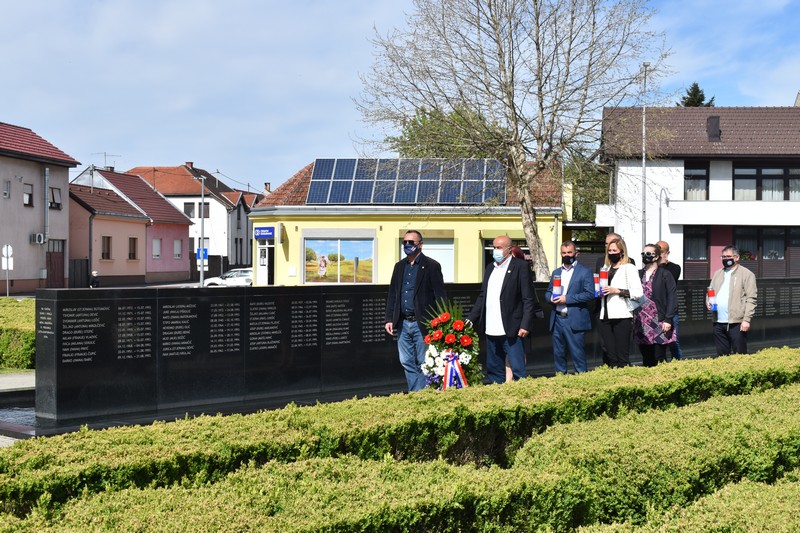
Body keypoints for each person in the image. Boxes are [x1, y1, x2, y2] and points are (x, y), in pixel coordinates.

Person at [385, 230, 447, 392]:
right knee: (406, 361)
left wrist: (443, 321)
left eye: (411, 242)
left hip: (423, 323)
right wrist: (389, 318)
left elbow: (440, 295)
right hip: (403, 323)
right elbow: (393, 294)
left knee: (423, 361)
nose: (407, 245)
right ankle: (416, 392)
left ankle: (423, 394)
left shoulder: (432, 266)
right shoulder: (399, 267)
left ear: (420, 244)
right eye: (404, 242)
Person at [467, 235, 534, 383]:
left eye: (499, 247)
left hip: (512, 328)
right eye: (494, 247)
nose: (495, 250)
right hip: (491, 328)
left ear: (509, 249)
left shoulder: (520, 267)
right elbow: (483, 296)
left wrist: (525, 324)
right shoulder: (490, 267)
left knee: (517, 369)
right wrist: (471, 318)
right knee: (494, 368)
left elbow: (528, 298)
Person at [545, 241, 596, 374]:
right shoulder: (556, 272)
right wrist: (550, 298)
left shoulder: (585, 272)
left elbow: (590, 294)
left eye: (569, 252)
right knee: (558, 354)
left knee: (577, 355)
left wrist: (567, 299)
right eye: (564, 253)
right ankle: (561, 380)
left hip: (574, 319)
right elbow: (548, 291)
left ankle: (582, 381)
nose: (566, 255)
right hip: (557, 319)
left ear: (576, 253)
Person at [598, 237, 643, 367]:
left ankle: (625, 377)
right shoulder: (606, 268)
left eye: (614, 250)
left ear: (622, 252)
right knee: (610, 355)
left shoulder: (629, 268)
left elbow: (638, 292)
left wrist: (616, 290)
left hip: (622, 315)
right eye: (609, 251)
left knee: (622, 355)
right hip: (605, 314)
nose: (611, 253)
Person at [706, 245, 757, 356]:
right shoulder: (718, 273)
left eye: (728, 256)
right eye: (723, 257)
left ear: (737, 257)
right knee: (722, 357)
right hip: (718, 322)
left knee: (740, 356)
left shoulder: (747, 274)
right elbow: (711, 290)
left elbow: (751, 299)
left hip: (737, 323)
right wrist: (708, 301)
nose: (725, 259)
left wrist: (746, 320)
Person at [634, 243, 677, 366]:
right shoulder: (638, 274)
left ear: (657, 256)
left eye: (649, 253)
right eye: (643, 253)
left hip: (659, 320)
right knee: (646, 356)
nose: (645, 256)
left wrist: (668, 319)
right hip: (641, 322)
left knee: (659, 356)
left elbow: (672, 297)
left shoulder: (665, 274)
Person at [656, 240, 683, 360]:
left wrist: (661, 264)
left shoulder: (674, 268)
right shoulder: (651, 267)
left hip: (670, 310)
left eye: (661, 251)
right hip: (656, 310)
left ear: (667, 252)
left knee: (673, 340)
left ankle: (677, 362)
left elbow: (668, 281)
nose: (659, 253)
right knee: (656, 340)